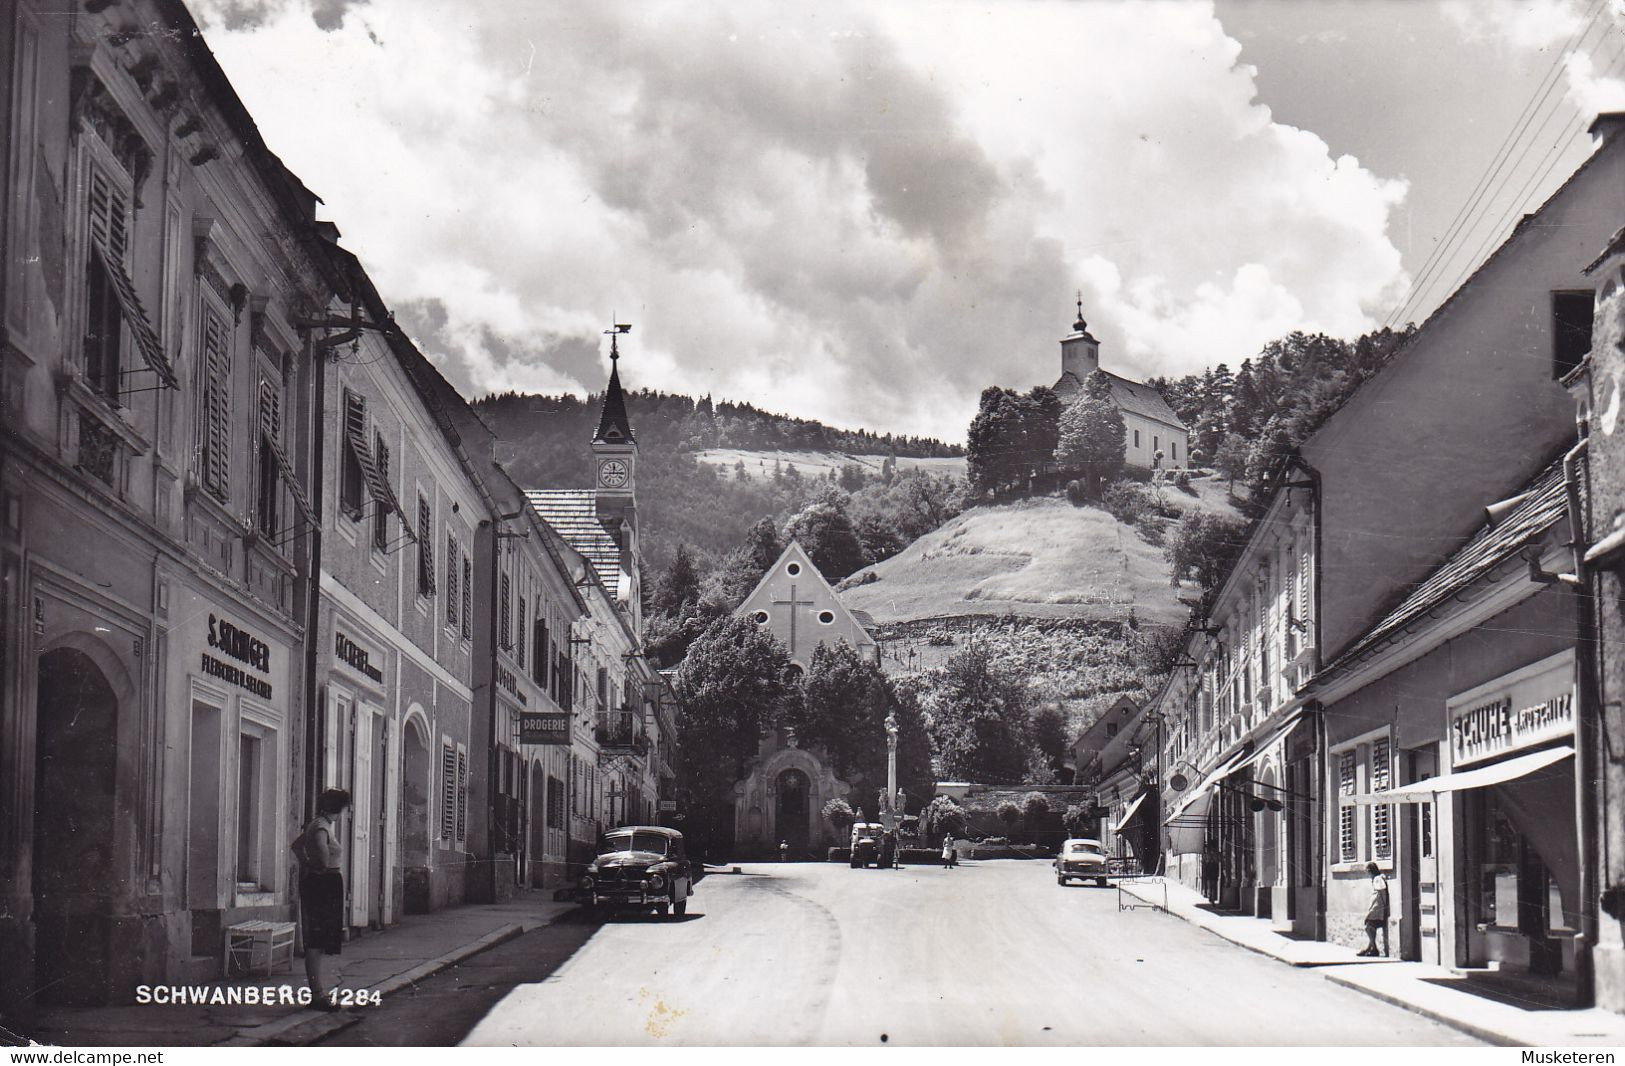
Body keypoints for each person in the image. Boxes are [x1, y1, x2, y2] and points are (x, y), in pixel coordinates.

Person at [293, 788, 352, 1009]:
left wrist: (306, 862)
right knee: (316, 942)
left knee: (317, 940)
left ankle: (317, 992)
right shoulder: (321, 827)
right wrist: (313, 865)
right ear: (340, 808)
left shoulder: (320, 824)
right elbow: (323, 862)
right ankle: (317, 995)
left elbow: (297, 846)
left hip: (322, 883)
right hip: (323, 884)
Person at [1359, 861, 1390, 957]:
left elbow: (1382, 894)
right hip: (1376, 906)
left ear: (1370, 870)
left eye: (1367, 871)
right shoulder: (1376, 879)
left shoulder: (1378, 879)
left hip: (1378, 907)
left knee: (1368, 926)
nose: (1367, 873)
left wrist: (1381, 907)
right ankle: (1371, 948)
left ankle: (1373, 948)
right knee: (1372, 927)